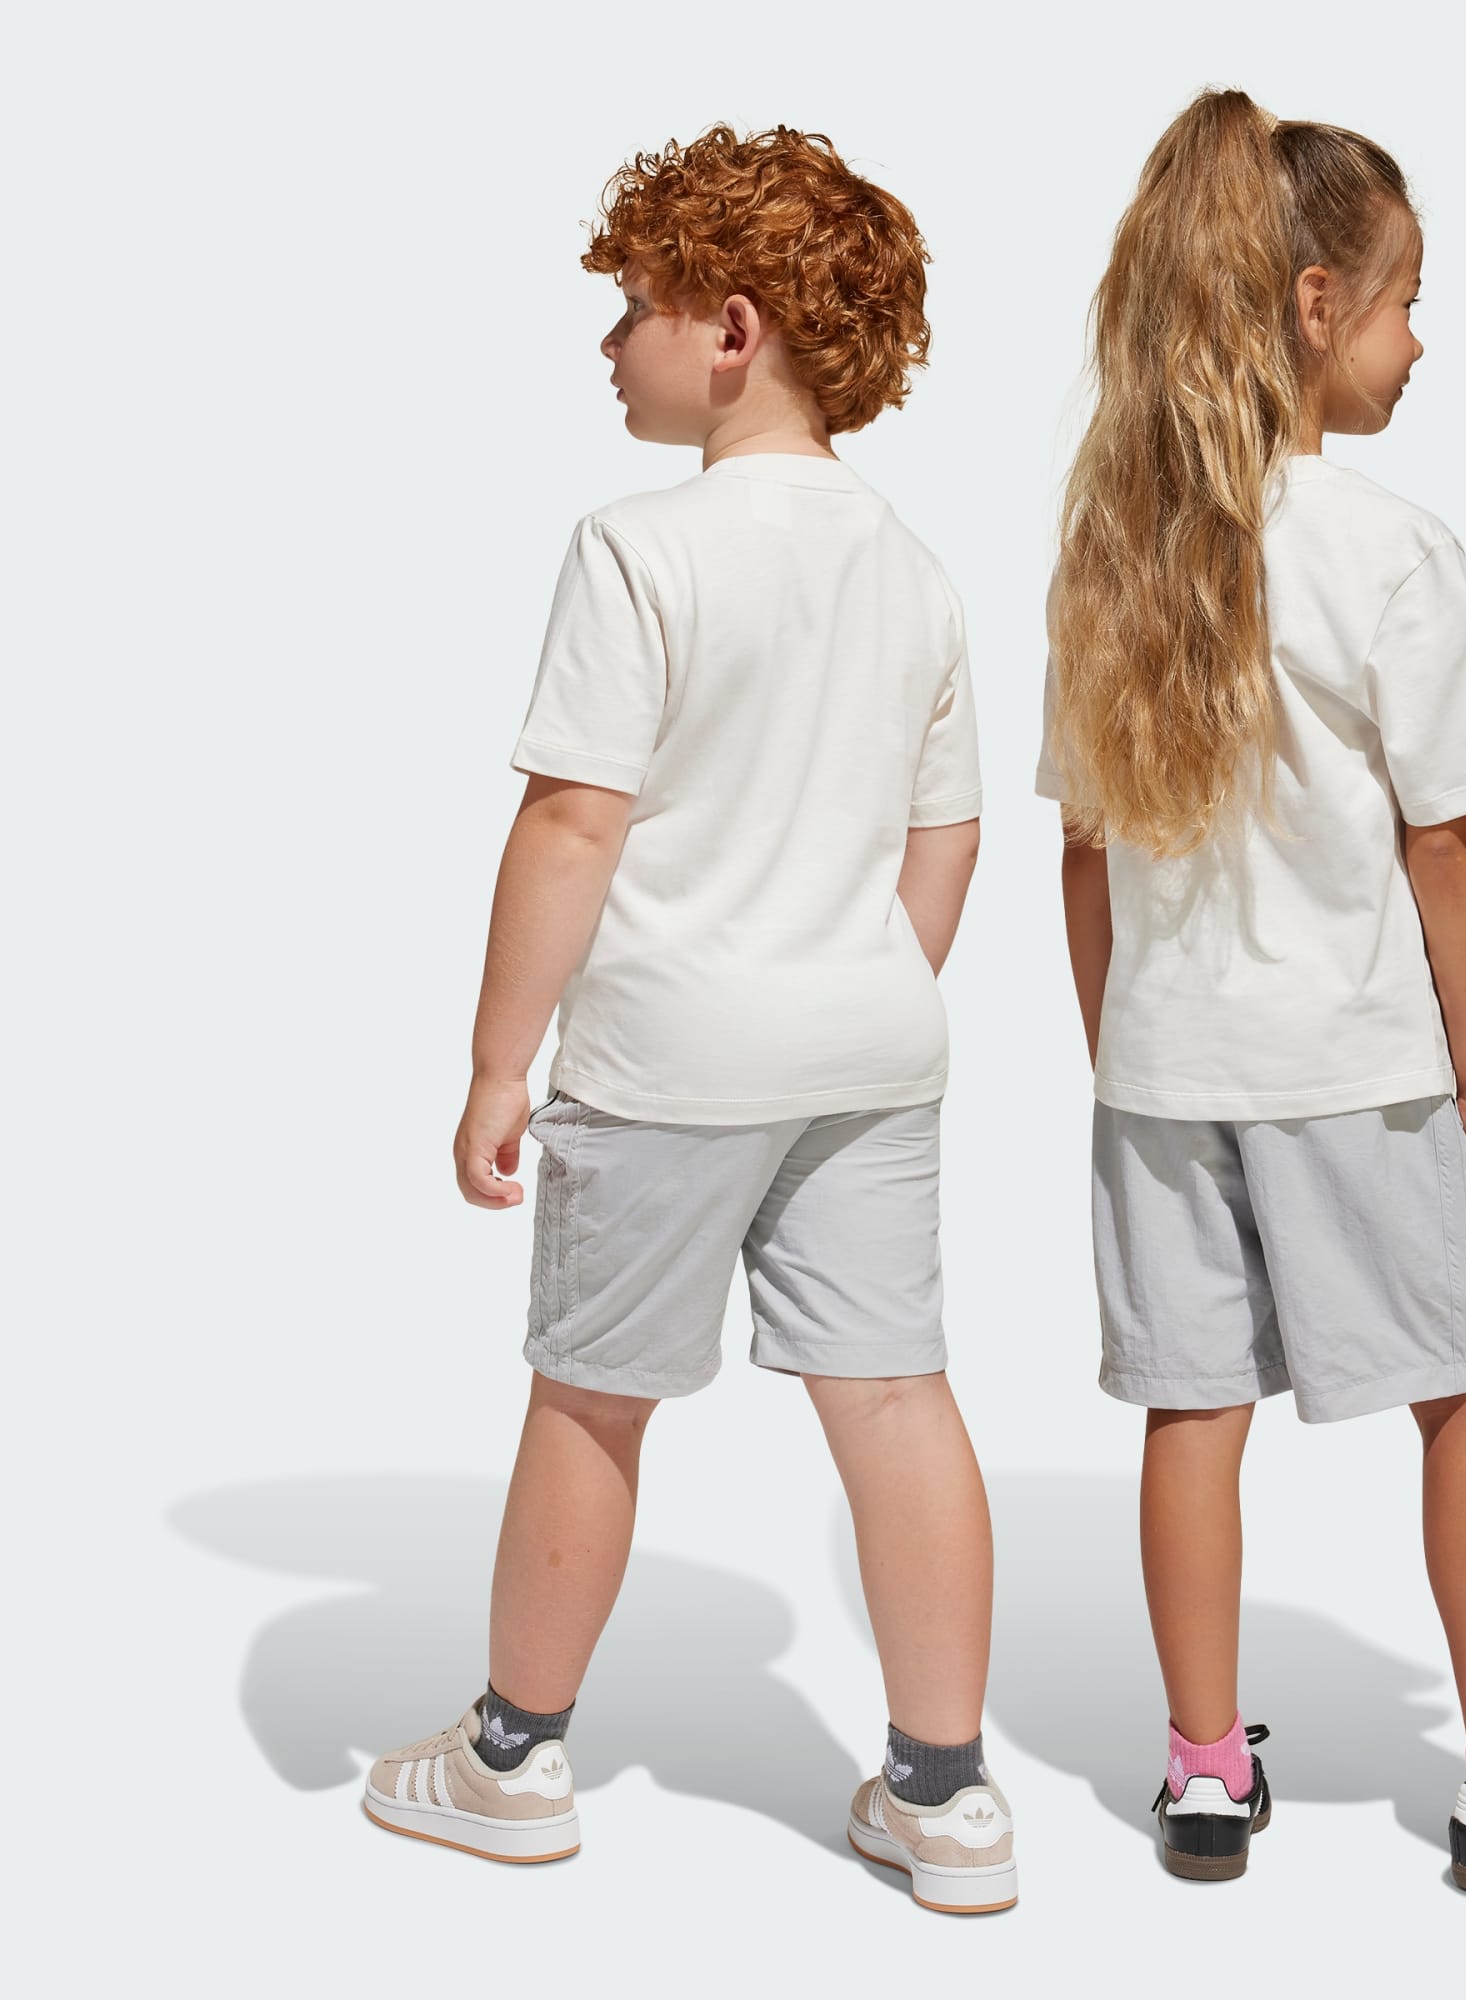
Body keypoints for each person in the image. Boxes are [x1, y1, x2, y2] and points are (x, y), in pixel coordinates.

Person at [1038, 88, 1466, 1896]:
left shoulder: (1114, 555)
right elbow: (1448, 846)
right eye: (1411, 301)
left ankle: (1203, 1775)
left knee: (1193, 1411)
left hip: (1161, 1079)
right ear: (1316, 302)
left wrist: (1120, 1052)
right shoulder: (1391, 548)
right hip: (1356, 1061)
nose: (1422, 342)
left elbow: (1084, 858)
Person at [363, 123, 1016, 1914]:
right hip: (871, 1053)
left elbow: (574, 823)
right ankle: (949, 1796)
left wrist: (500, 1061)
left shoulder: (638, 549)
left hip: (665, 1063)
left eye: (634, 306)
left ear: (733, 330)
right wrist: (864, 981)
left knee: (593, 1403)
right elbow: (948, 835)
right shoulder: (916, 569)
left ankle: (511, 1762)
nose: (607, 341)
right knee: (898, 1400)